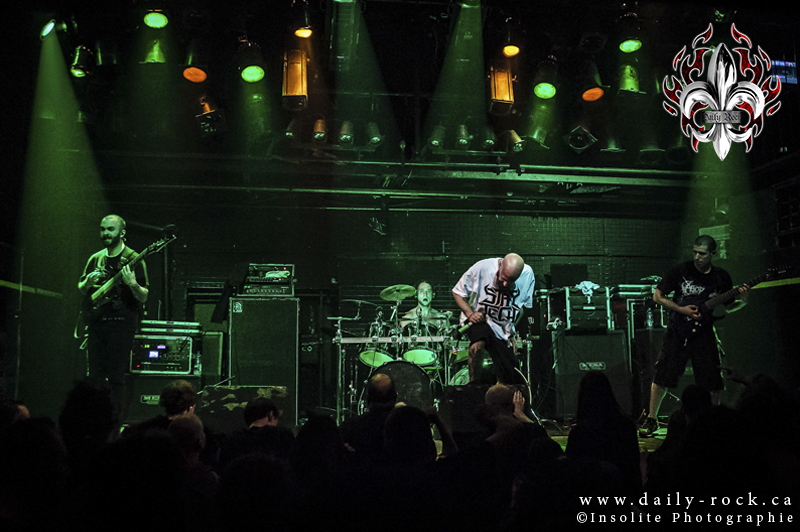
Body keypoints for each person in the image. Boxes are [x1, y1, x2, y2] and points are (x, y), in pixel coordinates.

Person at [639, 235, 749, 437]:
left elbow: (728, 306)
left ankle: (710, 422)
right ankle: (651, 419)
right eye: (695, 252)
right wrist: (681, 309)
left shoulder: (721, 277)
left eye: (703, 254)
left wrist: (742, 302)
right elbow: (657, 296)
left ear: (713, 254)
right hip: (677, 331)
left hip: (704, 333)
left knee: (712, 380)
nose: (697, 257)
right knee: (663, 374)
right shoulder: (680, 271)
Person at [78, 214, 148, 414]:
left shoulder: (134, 259)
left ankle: (115, 421)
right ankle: (95, 417)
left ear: (122, 232)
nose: (105, 233)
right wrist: (88, 283)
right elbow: (81, 288)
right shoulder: (95, 258)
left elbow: (144, 296)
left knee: (117, 377)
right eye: (103, 229)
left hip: (121, 325)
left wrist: (133, 284)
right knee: (94, 377)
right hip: (97, 324)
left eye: (110, 229)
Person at [452, 253, 535, 384]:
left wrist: (511, 332)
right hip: (478, 319)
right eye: (503, 278)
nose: (505, 284)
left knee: (508, 371)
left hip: (501, 326)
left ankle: (502, 391)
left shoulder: (528, 275)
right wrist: (470, 314)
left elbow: (521, 309)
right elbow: (457, 292)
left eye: (511, 281)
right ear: (500, 265)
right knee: (478, 344)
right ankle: (473, 385)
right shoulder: (482, 268)